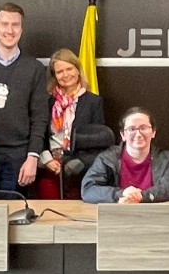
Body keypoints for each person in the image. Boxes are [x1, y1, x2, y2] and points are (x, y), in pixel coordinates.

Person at [0, 3, 49, 194]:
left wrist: (33, 157)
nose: (10, 30)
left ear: (21, 28)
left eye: (15, 25)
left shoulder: (34, 68)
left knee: (15, 217)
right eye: (4, 24)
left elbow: (40, 117)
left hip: (18, 157)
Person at [36, 49, 114, 200]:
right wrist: (47, 160)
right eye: (59, 71)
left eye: (69, 69)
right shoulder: (46, 102)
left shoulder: (93, 102)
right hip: (50, 167)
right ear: (54, 76)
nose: (65, 75)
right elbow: (38, 134)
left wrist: (78, 162)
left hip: (81, 170)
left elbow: (99, 142)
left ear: (78, 70)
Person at [81, 107, 169, 204]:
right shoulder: (107, 159)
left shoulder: (165, 159)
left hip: (154, 216)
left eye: (143, 128)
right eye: (132, 129)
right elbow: (88, 190)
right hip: (116, 215)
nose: (138, 134)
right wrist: (121, 194)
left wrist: (141, 196)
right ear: (123, 135)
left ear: (153, 132)